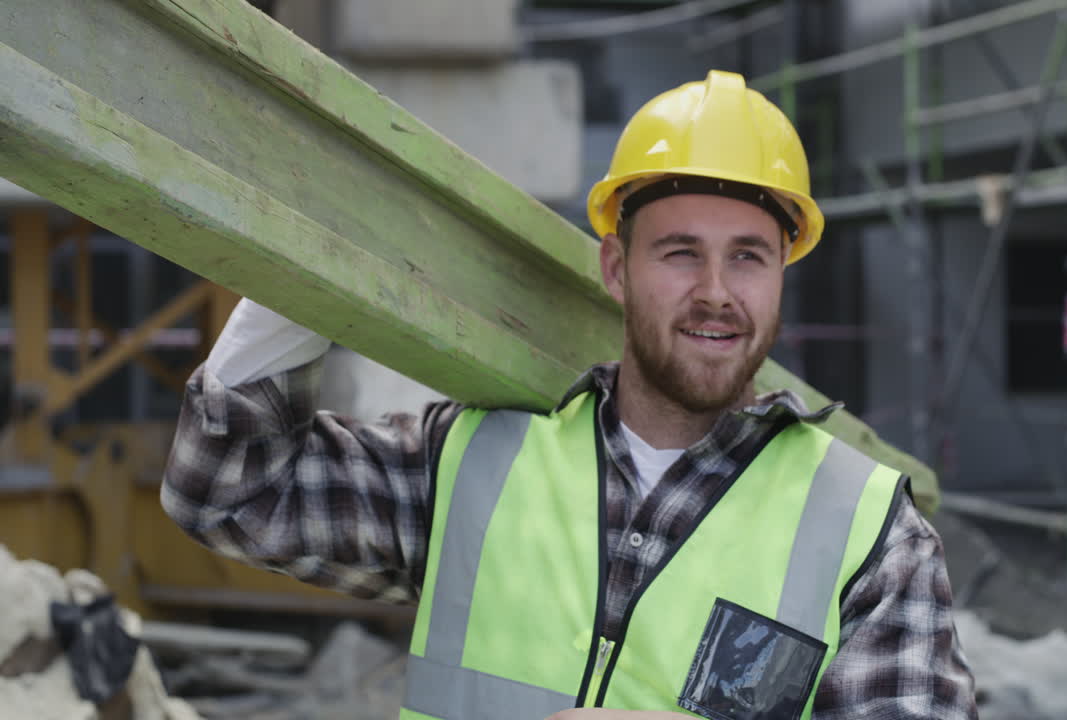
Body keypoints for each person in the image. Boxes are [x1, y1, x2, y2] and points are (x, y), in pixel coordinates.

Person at [162, 70, 976, 720]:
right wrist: (314, 245)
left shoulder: (870, 533)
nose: (717, 292)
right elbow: (227, 488)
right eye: (681, 253)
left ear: (781, 278)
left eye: (750, 258)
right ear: (617, 269)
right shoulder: (475, 463)